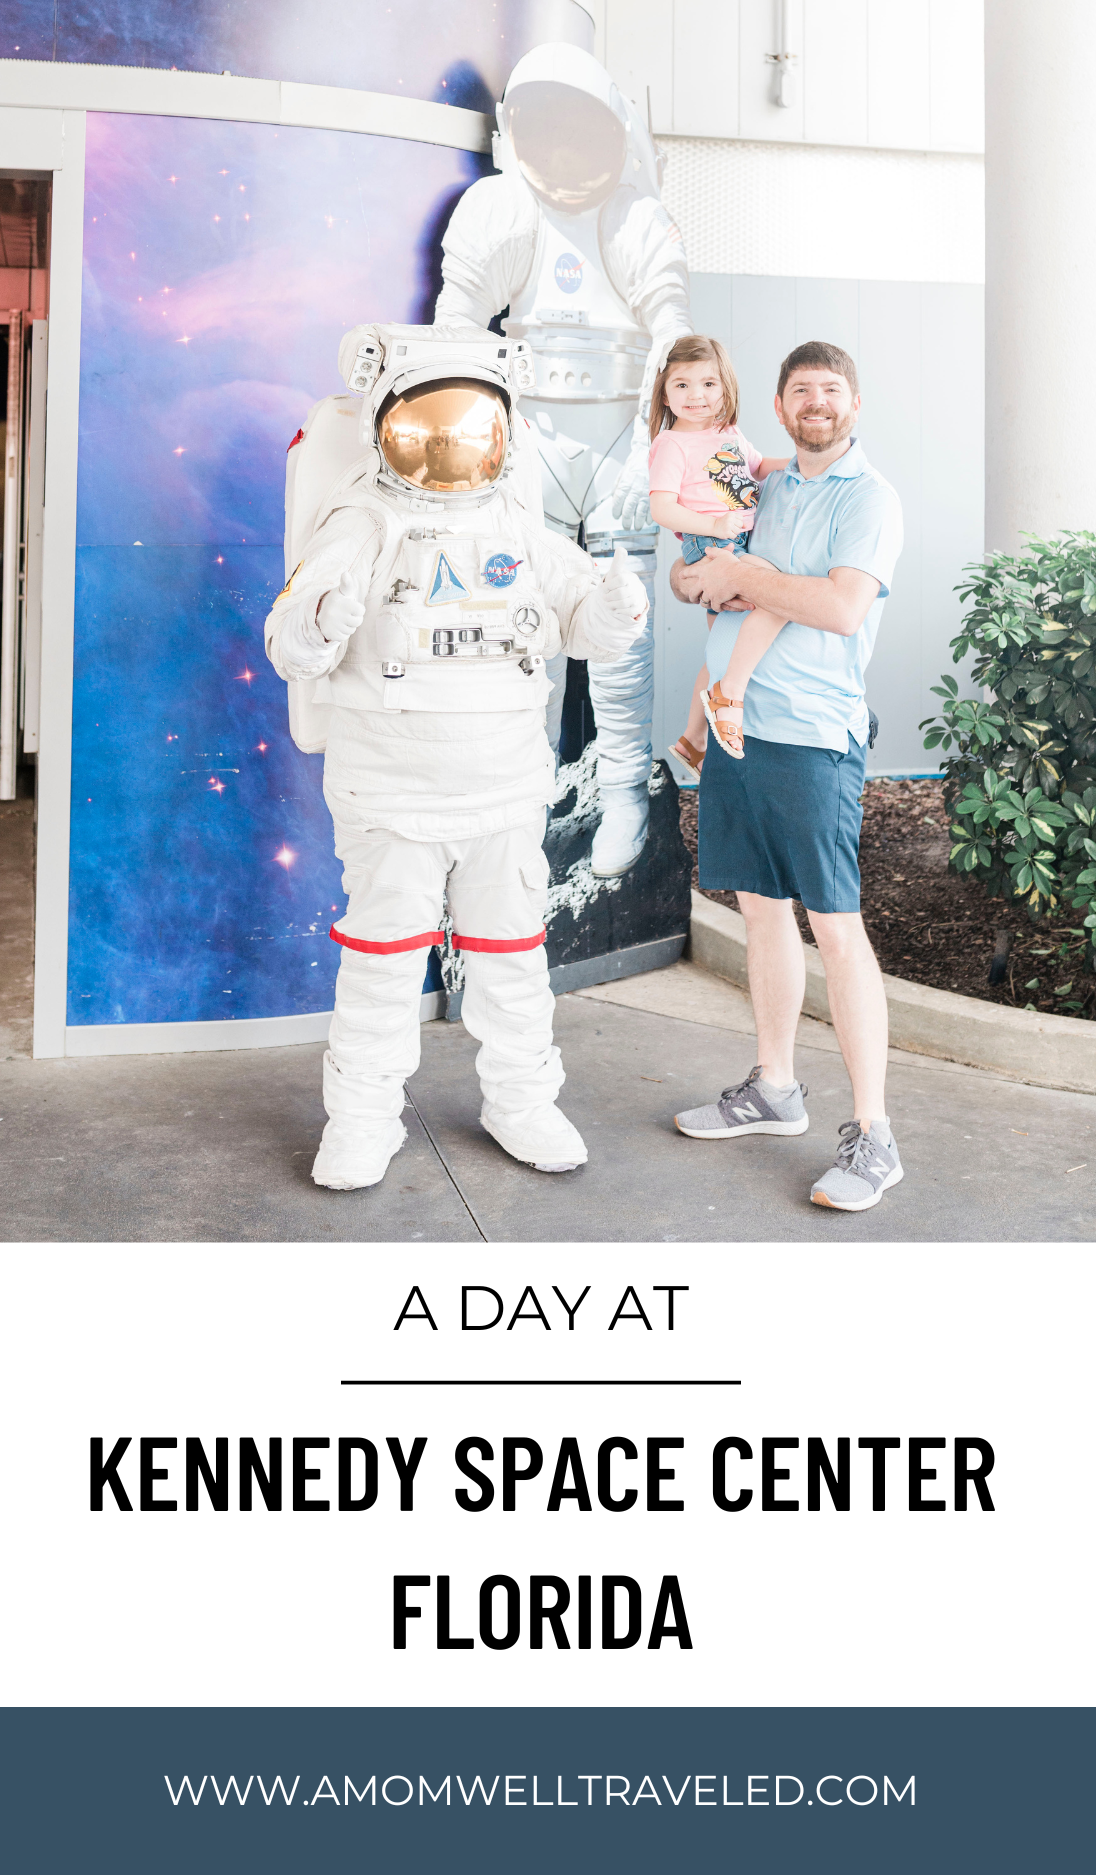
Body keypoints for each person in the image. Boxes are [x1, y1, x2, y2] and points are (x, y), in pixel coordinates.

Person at [264, 322, 648, 1192]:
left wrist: (618, 606)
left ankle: (522, 1101)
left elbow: (584, 619)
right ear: (386, 426)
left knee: (512, 958)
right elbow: (293, 639)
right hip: (394, 793)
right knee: (385, 962)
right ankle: (362, 1117)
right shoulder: (364, 521)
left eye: (469, 423)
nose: (449, 442)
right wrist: (320, 621)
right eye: (429, 423)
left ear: (502, 431)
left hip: (502, 792)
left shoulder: (516, 524)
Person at [433, 42, 694, 878]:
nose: (567, 146)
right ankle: (529, 783)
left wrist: (666, 421)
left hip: (622, 442)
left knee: (621, 628)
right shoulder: (502, 209)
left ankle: (622, 790)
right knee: (521, 620)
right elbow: (454, 331)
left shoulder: (634, 217)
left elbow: (672, 325)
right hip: (530, 440)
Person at [669, 339, 906, 1212]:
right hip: (739, 731)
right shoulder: (759, 482)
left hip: (812, 737)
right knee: (764, 913)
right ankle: (774, 1087)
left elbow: (843, 607)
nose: (816, 401)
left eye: (831, 389)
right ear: (778, 405)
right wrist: (704, 577)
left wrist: (752, 576)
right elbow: (692, 568)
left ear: (853, 404)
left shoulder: (869, 499)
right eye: (801, 389)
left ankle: (875, 1135)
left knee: (836, 929)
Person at [646, 334, 791, 771]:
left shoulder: (727, 432)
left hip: (737, 537)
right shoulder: (671, 444)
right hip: (710, 541)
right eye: (683, 385)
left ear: (725, 388)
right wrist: (711, 526)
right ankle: (731, 693)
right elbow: (662, 507)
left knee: (722, 647)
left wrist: (803, 463)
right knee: (777, 594)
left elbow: (758, 467)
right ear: (665, 394)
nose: (697, 396)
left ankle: (693, 739)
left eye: (708, 384)